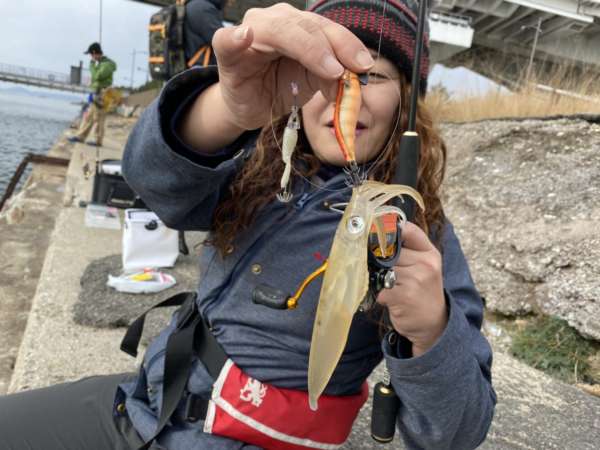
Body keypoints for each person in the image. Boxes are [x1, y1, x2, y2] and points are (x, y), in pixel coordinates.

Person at [0, 1, 496, 449]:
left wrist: (432, 330)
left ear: (408, 100)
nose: (345, 98)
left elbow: (456, 432)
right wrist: (226, 107)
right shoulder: (254, 163)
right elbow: (150, 180)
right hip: (146, 403)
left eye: (370, 76)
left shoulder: (417, 234)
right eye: (326, 73)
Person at [68, 42, 117, 147]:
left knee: (99, 118)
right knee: (89, 117)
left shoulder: (107, 65)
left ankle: (98, 141)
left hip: (103, 95)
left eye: (91, 54)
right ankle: (80, 136)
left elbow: (97, 76)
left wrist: (91, 65)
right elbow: (96, 79)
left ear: (95, 52)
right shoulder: (101, 64)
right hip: (97, 94)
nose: (91, 57)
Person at [184, 0, 224, 68]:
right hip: (199, 68)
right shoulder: (203, 8)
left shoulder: (191, 5)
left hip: (189, 65)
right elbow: (220, 41)